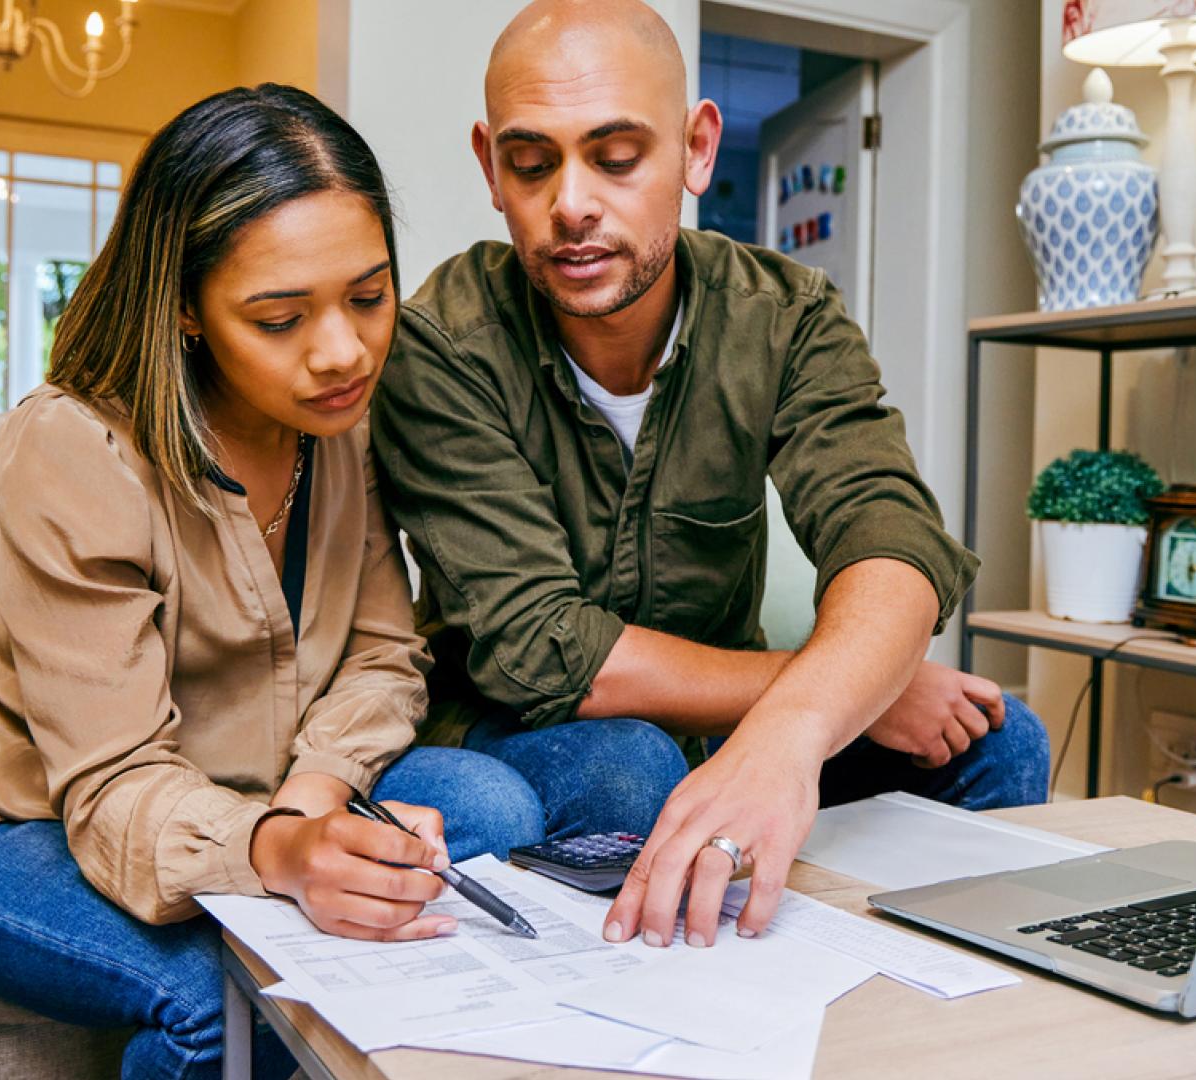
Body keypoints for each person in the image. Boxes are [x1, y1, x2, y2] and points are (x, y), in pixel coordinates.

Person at [0, 85, 553, 1080]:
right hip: (20, 824)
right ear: (189, 311)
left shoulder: (342, 417)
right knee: (221, 998)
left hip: (261, 790)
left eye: (369, 296)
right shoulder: (73, 448)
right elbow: (111, 786)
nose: (343, 352)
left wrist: (314, 801)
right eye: (279, 318)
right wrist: (283, 851)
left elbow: (380, 652)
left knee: (492, 811)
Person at [369, 0, 1051, 957]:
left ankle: (904, 1017)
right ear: (490, 166)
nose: (572, 204)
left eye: (615, 156)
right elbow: (549, 650)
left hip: (733, 729)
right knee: (631, 768)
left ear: (696, 150)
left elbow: (887, 533)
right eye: (532, 163)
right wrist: (822, 697)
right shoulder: (438, 343)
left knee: (999, 739)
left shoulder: (785, 315)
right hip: (520, 725)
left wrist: (795, 731)